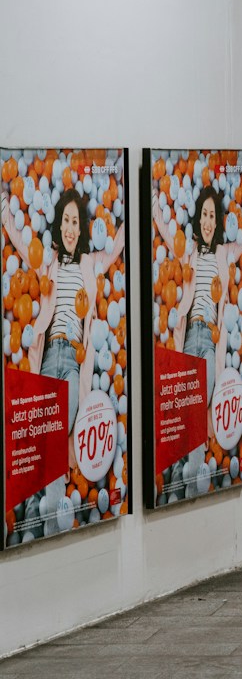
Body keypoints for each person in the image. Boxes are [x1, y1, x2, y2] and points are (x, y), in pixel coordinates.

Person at [7, 187, 125, 469]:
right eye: (66, 221)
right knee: (42, 439)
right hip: (49, 357)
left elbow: (119, 244)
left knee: (57, 435)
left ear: (81, 229)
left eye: (75, 222)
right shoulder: (49, 262)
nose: (70, 229)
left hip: (74, 361)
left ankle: (47, 501)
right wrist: (3, 206)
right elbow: (23, 246)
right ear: (58, 225)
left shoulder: (90, 263)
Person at [156, 183, 242, 411]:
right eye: (204, 215)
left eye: (212, 216)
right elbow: (167, 235)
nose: (208, 222)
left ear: (216, 222)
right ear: (199, 220)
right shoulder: (190, 252)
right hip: (190, 336)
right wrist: (154, 203)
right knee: (187, 411)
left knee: (197, 409)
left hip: (210, 339)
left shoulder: (224, 253)